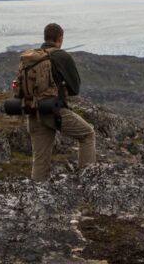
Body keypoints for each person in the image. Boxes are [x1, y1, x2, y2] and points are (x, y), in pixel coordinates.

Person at [19, 23, 96, 180]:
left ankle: (36, 196)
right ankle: (88, 181)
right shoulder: (61, 56)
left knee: (40, 161)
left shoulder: (32, 58)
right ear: (60, 39)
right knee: (87, 134)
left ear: (45, 37)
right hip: (53, 111)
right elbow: (75, 88)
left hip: (33, 112)